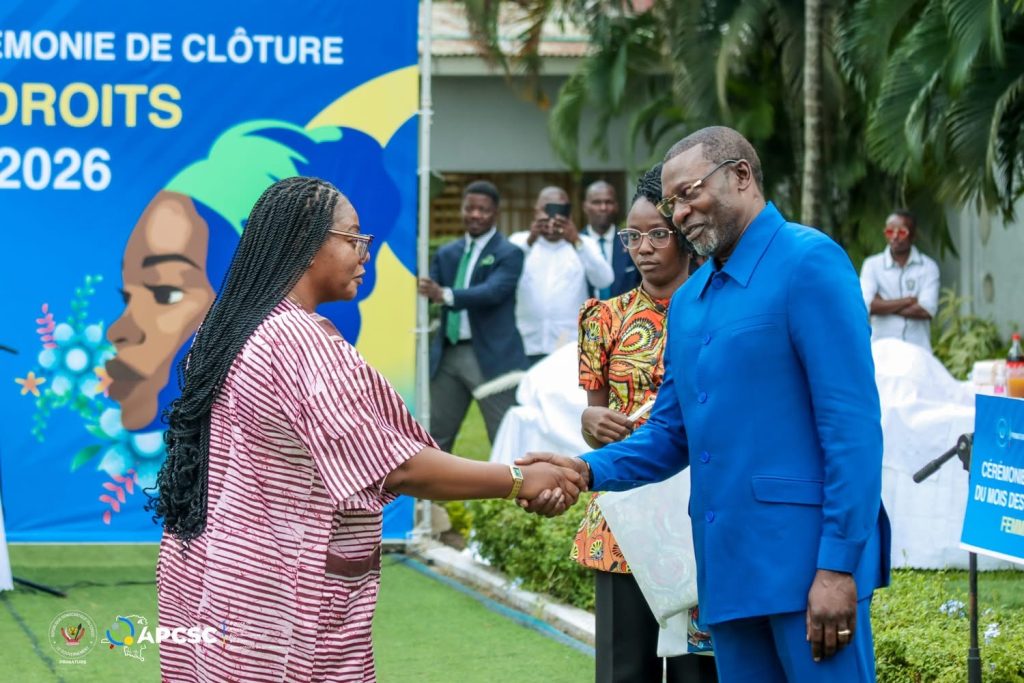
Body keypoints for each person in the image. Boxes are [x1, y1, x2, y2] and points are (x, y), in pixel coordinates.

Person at [153, 177, 582, 683]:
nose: (365, 252)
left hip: (214, 570)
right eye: (353, 238)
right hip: (278, 595)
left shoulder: (230, 327)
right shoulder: (298, 342)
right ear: (306, 243)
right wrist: (518, 479)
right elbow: (396, 467)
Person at [520, 126, 891, 682]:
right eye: (672, 202)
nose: (681, 213)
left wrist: (838, 567)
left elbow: (852, 430)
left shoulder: (809, 262)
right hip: (725, 571)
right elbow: (669, 434)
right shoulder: (690, 301)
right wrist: (582, 469)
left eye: (689, 193)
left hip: (807, 570)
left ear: (741, 176)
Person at [106, 120, 401, 433]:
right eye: (128, 296)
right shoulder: (286, 338)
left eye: (165, 293)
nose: (118, 331)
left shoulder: (274, 340)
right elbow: (385, 455)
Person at [574, 166, 716, 683]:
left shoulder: (716, 312)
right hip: (627, 515)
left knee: (698, 671)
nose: (643, 248)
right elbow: (594, 424)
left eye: (657, 234)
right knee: (624, 668)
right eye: (632, 237)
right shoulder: (604, 318)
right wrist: (590, 419)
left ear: (684, 235)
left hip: (698, 506)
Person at [418, 180, 529, 451]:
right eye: (470, 208)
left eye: (483, 210)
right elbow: (425, 292)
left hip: (491, 355)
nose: (475, 215)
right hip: (448, 353)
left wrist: (445, 295)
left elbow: (493, 292)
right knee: (435, 435)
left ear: (495, 213)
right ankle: (432, 481)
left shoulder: (509, 253)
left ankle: (515, 479)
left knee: (503, 434)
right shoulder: (447, 253)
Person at [510, 186, 613, 365]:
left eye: (560, 210)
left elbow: (604, 279)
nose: (553, 217)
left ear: (569, 214)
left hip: (567, 346)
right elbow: (505, 276)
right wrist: (530, 241)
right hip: (526, 344)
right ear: (536, 211)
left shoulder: (584, 244)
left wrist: (575, 241)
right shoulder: (519, 241)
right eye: (547, 209)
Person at [859, 211, 940, 351]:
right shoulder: (872, 265)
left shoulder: (928, 267)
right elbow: (867, 305)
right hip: (882, 351)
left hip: (918, 352)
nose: (895, 237)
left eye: (902, 232)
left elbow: (927, 310)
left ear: (913, 235)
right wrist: (908, 301)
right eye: (890, 232)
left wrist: (883, 304)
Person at [582, 180, 641, 299]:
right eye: (596, 202)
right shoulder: (576, 244)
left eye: (608, 202)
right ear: (585, 206)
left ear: (616, 206)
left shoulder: (631, 241)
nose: (603, 207)